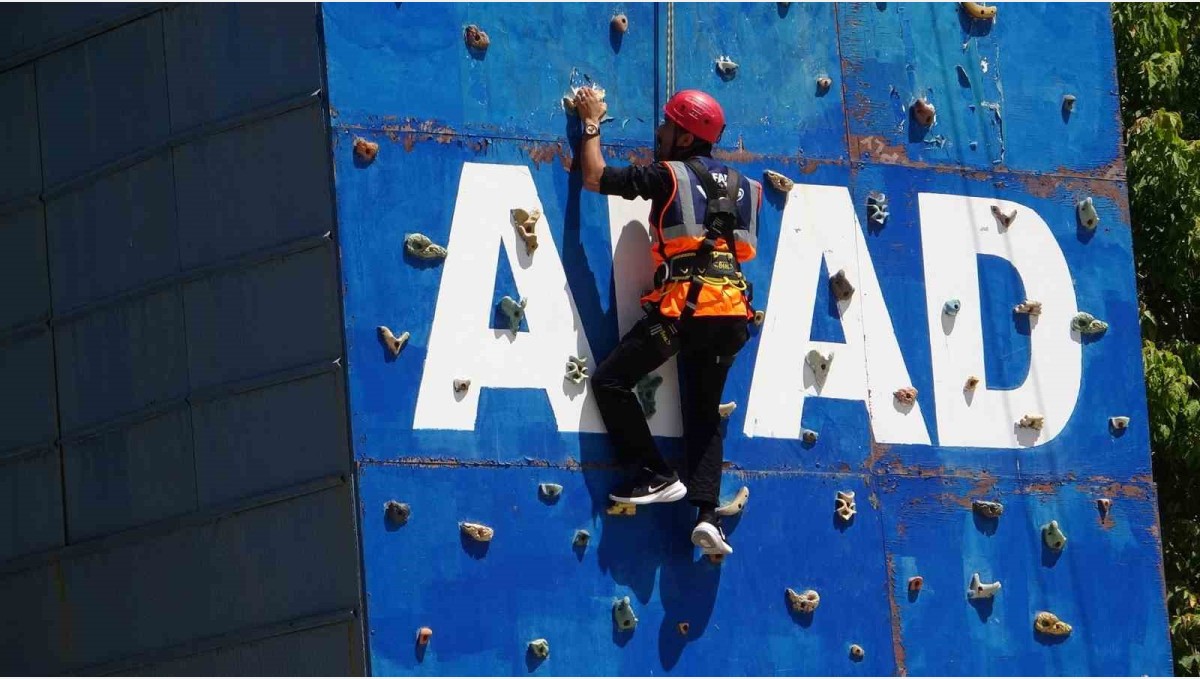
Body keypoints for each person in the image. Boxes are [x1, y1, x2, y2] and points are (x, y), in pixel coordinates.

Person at [573, 87, 761, 556]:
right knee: (704, 414)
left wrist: (591, 121)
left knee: (611, 380)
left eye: (666, 125)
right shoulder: (744, 186)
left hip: (685, 312)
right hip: (733, 316)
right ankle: (706, 516)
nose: (658, 132)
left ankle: (653, 474)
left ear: (683, 136)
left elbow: (594, 177)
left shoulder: (667, 175)